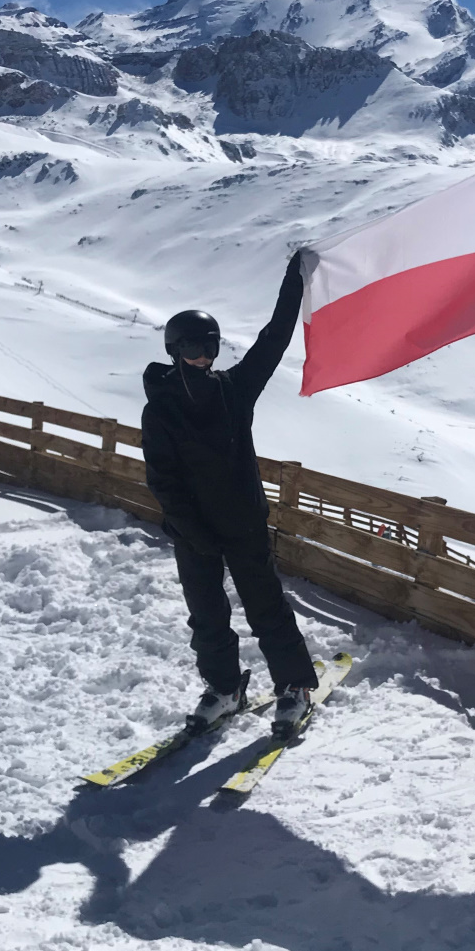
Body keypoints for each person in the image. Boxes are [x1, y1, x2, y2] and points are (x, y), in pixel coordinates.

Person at [141, 252, 319, 737]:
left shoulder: (234, 390)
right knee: (206, 616)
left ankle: (295, 687)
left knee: (266, 609)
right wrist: (192, 531)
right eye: (195, 346)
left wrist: (294, 281)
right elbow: (163, 478)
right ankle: (224, 689)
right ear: (176, 348)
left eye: (211, 346)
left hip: (242, 524)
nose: (204, 355)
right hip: (192, 530)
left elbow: (274, 339)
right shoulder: (160, 409)